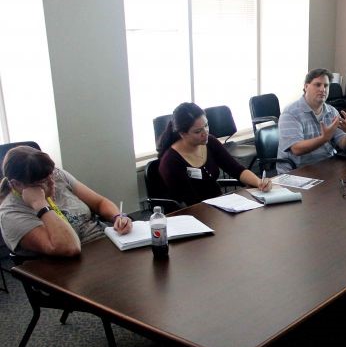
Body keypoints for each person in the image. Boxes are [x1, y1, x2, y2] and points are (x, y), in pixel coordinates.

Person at [0, 145, 132, 257]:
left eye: (51, 176)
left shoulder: (56, 176)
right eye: (42, 182)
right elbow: (69, 247)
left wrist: (117, 217)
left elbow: (100, 203)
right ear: (17, 184)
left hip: (105, 245)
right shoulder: (11, 214)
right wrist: (41, 205)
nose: (52, 183)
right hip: (69, 267)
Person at [157, 102, 270, 205]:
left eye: (206, 126)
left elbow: (236, 169)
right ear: (182, 134)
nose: (205, 133)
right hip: (193, 214)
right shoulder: (171, 161)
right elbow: (189, 201)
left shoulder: (209, 142)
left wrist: (259, 182)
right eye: (197, 131)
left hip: (218, 206)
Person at [276, 68, 346, 173]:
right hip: (297, 172)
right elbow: (296, 149)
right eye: (318, 85)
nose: (323, 89)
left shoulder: (332, 112)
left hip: (325, 167)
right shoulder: (290, 113)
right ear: (306, 86)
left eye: (326, 85)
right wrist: (324, 138)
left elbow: (344, 145)